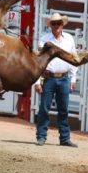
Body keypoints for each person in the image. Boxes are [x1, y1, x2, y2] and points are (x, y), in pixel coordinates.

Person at [35, 13, 78, 147]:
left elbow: (73, 58)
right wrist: (38, 81)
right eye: (53, 23)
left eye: (58, 23)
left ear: (62, 24)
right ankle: (41, 136)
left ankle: (64, 138)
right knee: (44, 108)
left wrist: (73, 78)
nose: (56, 26)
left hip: (64, 77)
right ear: (51, 25)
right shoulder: (44, 39)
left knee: (63, 109)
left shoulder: (69, 39)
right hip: (48, 77)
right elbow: (39, 62)